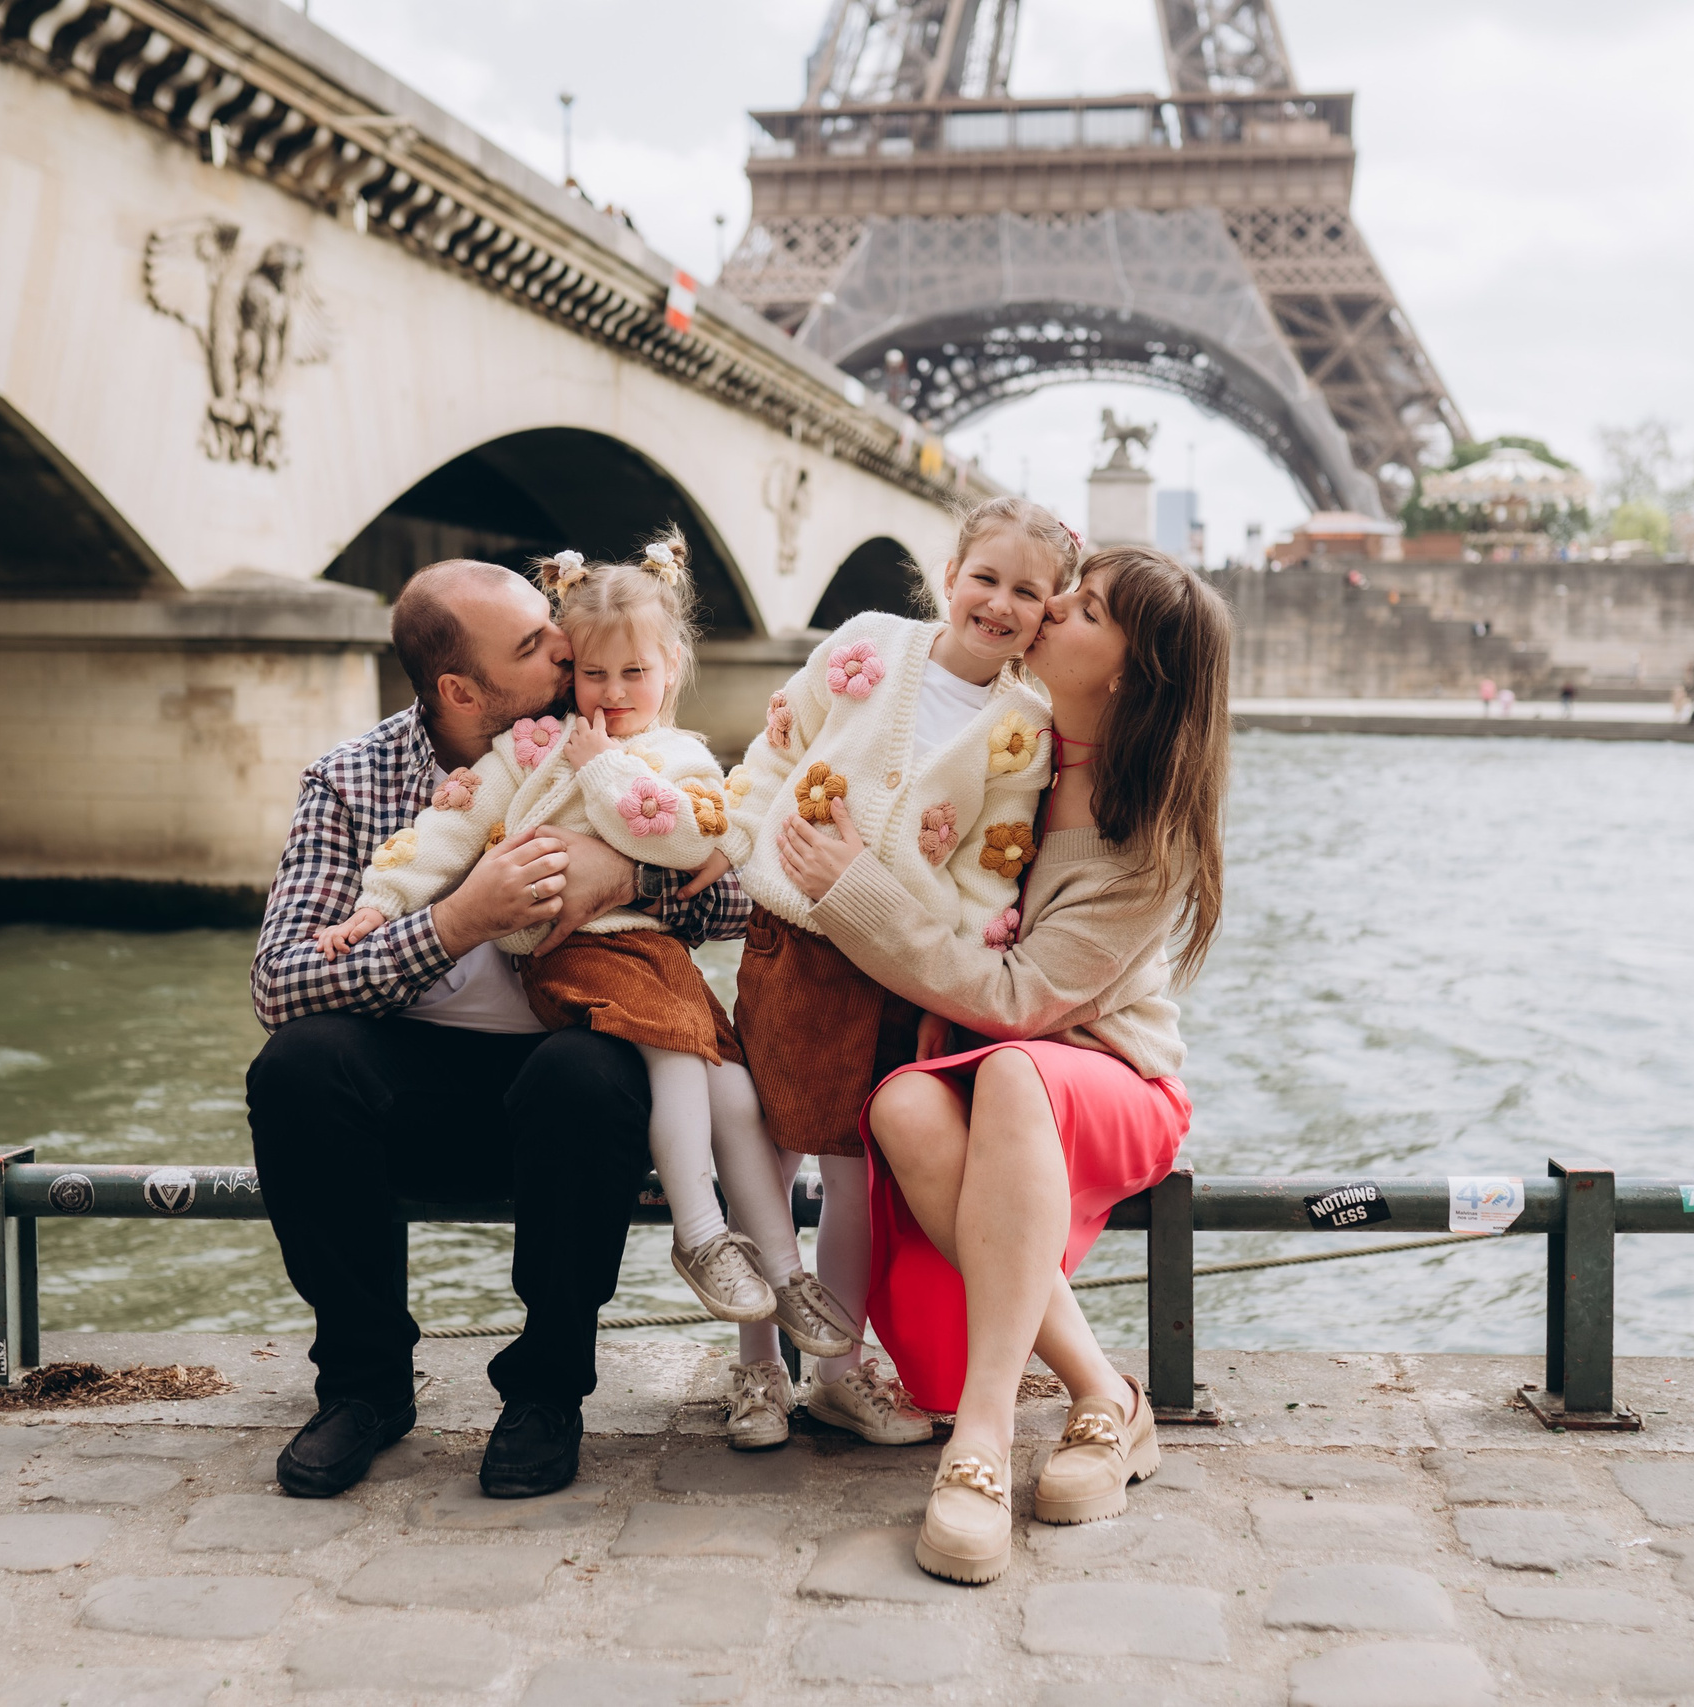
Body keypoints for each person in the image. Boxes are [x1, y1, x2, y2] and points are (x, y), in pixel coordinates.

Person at [244, 557, 749, 1502]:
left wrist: (624, 876)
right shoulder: (351, 781)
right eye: (533, 645)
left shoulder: (610, 737)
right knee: (297, 1065)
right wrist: (456, 920)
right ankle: (363, 1386)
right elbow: (281, 981)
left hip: (570, 1084)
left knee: (584, 1074)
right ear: (459, 690)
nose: (566, 649)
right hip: (414, 1086)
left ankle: (547, 1393)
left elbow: (743, 898)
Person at [775, 544, 1226, 1586]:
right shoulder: (1009, 732)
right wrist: (803, 721)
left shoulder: (1150, 834)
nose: (1052, 606)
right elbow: (895, 698)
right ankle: (1106, 1398)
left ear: (1126, 672)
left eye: (1088, 609)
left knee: (1018, 1066)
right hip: (997, 1080)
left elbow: (1022, 1005)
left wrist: (855, 893)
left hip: (1116, 1083)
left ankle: (980, 1448)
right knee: (898, 1108)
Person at [314, 535, 855, 1370]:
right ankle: (702, 1233)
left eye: (629, 674)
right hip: (575, 958)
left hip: (652, 959)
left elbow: (693, 841)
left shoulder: (681, 756)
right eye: (583, 672)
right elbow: (446, 830)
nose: (602, 693)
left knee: (735, 1092)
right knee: (675, 1057)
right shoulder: (529, 749)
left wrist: (622, 845)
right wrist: (379, 904)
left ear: (669, 669)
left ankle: (785, 1273)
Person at [723, 494, 1078, 1451]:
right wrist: (745, 836)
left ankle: (837, 1371)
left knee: (852, 1176)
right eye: (987, 578)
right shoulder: (872, 642)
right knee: (768, 1156)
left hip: (886, 961)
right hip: (791, 936)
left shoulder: (1025, 728)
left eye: (1028, 594)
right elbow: (781, 742)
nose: (1000, 603)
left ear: (1051, 614)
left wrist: (934, 979)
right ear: (950, 575)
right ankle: (757, 1367)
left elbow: (989, 870)